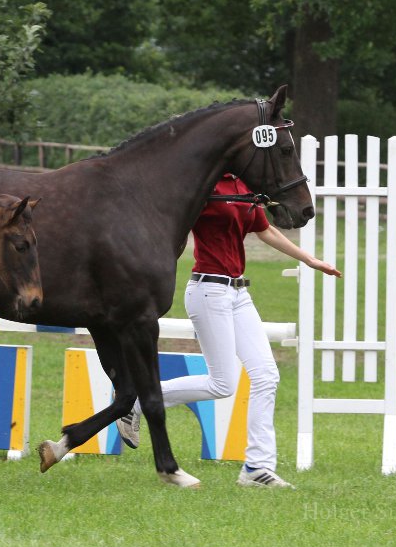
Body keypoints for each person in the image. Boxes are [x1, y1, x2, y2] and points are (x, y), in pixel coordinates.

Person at [117, 172, 341, 488]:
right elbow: (169, 224)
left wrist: (310, 259)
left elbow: (266, 230)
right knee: (222, 384)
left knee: (267, 375)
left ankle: (257, 468)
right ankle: (136, 402)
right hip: (208, 292)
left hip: (239, 293)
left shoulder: (242, 186)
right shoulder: (202, 184)